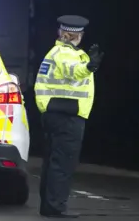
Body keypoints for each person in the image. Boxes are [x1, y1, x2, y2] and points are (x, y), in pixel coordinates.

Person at [35, 15, 104, 218]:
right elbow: (73, 71)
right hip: (67, 114)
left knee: (53, 161)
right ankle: (56, 207)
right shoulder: (66, 53)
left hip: (56, 112)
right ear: (77, 36)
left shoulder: (58, 51)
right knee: (63, 163)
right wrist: (90, 67)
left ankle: (49, 206)